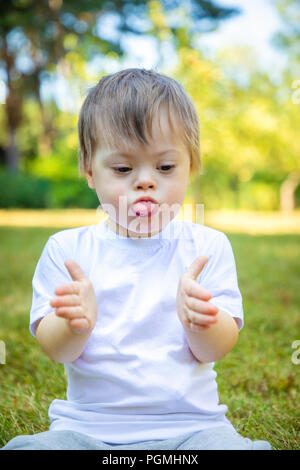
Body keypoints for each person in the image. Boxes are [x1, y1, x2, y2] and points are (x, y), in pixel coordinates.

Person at [2, 68, 272, 450]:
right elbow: (55, 349)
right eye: (123, 168)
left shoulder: (208, 247)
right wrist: (73, 325)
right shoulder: (67, 251)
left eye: (164, 167)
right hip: (86, 430)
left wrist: (201, 321)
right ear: (89, 170)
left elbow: (217, 348)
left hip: (192, 428)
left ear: (190, 166)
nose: (145, 181)